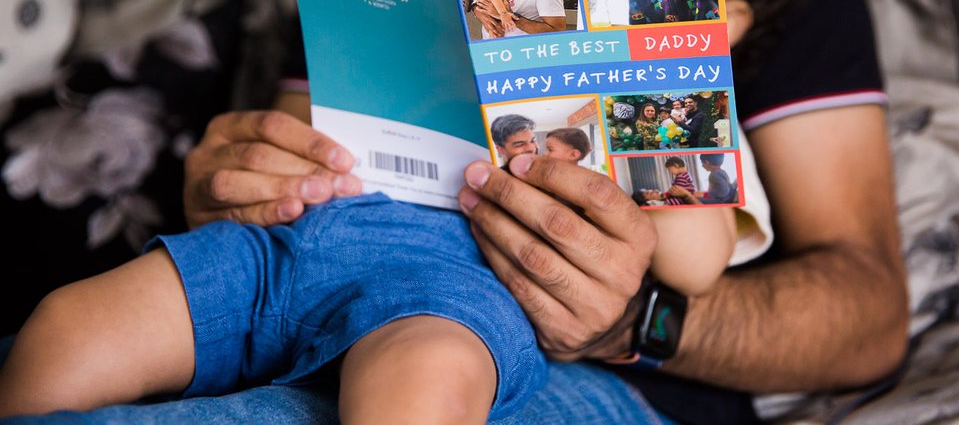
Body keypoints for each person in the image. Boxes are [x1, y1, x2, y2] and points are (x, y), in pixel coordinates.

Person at [55, 0, 906, 420]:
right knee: (68, 333)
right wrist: (240, 189)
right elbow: (294, 162)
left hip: (546, 358)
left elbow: (853, 306)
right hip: (338, 275)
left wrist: (625, 320)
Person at [0, 132, 744, 421]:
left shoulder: (686, 122)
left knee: (419, 388)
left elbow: (698, 261)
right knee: (63, 325)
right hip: (304, 237)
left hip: (458, 288)